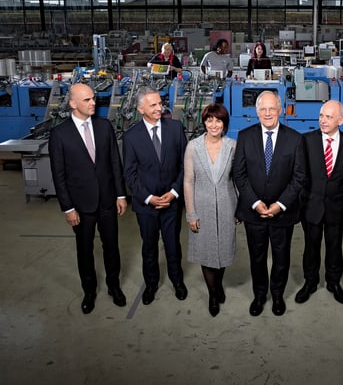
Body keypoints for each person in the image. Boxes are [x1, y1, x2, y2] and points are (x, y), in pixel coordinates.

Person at [48, 83, 128, 315]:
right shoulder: (59, 134)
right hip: (80, 205)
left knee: (111, 246)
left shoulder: (104, 127)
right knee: (84, 249)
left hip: (107, 201)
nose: (93, 103)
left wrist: (120, 194)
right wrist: (68, 208)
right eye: (87, 100)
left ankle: (114, 286)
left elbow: (115, 163)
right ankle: (89, 291)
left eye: (94, 99)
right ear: (73, 104)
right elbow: (58, 175)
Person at [233, 90, 306, 317]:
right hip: (253, 212)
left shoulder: (295, 139)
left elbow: (299, 176)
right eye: (262, 109)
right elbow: (239, 174)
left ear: (280, 110)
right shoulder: (245, 136)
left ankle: (277, 296)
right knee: (257, 256)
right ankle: (259, 295)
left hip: (282, 213)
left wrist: (280, 205)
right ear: (256, 112)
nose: (267, 113)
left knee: (281, 256)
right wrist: (255, 203)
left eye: (272, 108)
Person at [123, 86, 188, 306]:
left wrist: (173, 192)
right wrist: (149, 198)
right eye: (153, 105)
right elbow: (130, 175)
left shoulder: (176, 129)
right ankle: (151, 284)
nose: (159, 108)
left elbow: (184, 165)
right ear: (141, 108)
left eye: (160, 103)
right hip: (146, 205)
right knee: (149, 247)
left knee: (173, 245)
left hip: (171, 202)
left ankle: (177, 281)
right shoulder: (131, 137)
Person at [295, 100, 343, 305]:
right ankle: (310, 282)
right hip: (311, 205)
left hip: (336, 206)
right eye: (321, 115)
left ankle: (334, 282)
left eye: (328, 117)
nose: (323, 120)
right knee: (311, 247)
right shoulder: (306, 141)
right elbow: (299, 173)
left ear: (341, 120)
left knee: (334, 246)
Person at [183, 104, 238, 317]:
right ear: (204, 122)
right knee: (206, 255)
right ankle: (213, 295)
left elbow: (236, 180)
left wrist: (239, 209)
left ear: (224, 123)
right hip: (202, 207)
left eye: (218, 121)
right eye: (209, 120)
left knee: (223, 252)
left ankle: (218, 284)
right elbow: (188, 181)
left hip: (227, 206)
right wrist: (191, 213)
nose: (214, 125)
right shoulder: (193, 147)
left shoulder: (232, 146)